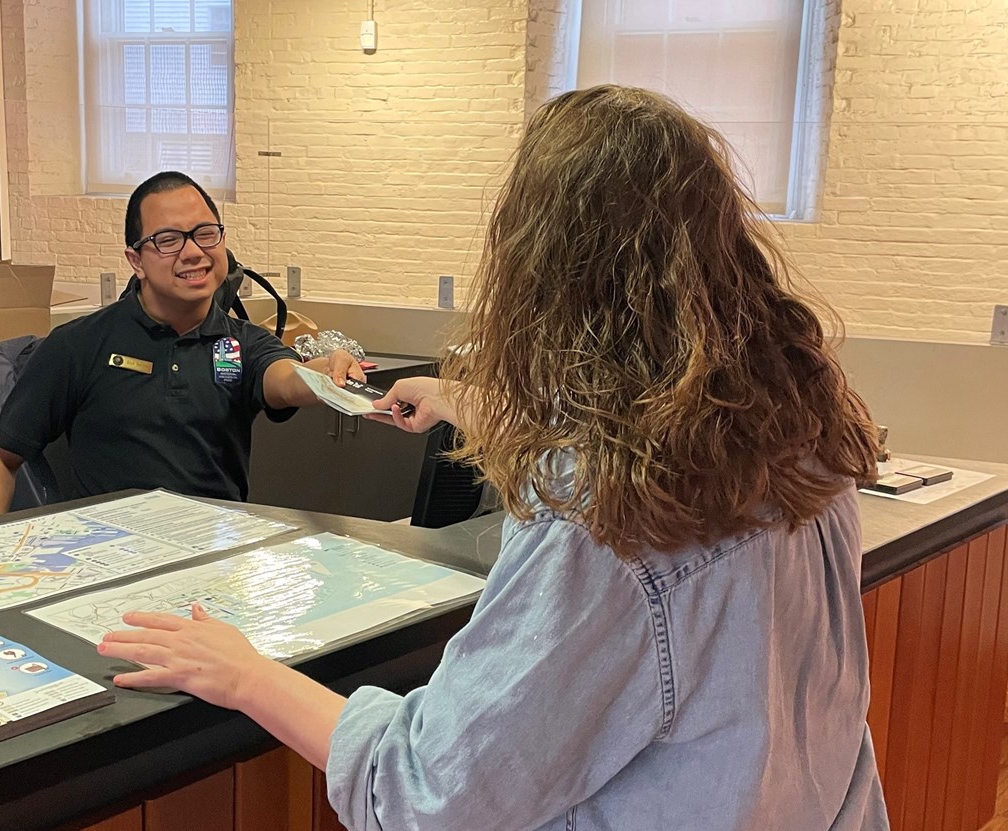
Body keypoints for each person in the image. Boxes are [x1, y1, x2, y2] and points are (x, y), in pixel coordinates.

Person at [95, 87, 891, 830]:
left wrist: (242, 672)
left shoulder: (601, 515)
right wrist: (469, 399)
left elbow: (426, 789)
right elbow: (637, 416)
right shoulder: (792, 429)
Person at [0, 171, 363, 519]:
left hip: (216, 561)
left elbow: (284, 380)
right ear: (135, 260)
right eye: (168, 240)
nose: (193, 252)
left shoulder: (243, 344)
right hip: (106, 564)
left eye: (206, 234)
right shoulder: (79, 345)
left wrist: (325, 374)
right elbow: (0, 457)